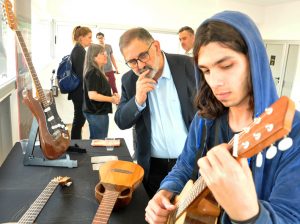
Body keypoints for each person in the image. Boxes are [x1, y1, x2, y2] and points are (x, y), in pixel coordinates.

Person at [145, 11, 300, 224]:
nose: (215, 82)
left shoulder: (295, 132)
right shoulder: (204, 118)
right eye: (206, 70)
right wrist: (165, 191)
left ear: (254, 60)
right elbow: (185, 164)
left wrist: (248, 214)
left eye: (226, 66)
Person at [114, 28, 196, 198]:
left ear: (156, 47)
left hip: (191, 163)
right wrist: (137, 100)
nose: (140, 65)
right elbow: (121, 121)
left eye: (143, 55)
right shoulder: (129, 80)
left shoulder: (190, 66)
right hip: (153, 167)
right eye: (132, 61)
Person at [82, 44, 120, 139]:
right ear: (94, 57)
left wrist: (112, 95)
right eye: (102, 53)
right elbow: (93, 95)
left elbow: (99, 91)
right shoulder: (93, 72)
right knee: (99, 141)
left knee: (96, 140)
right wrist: (112, 99)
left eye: (105, 53)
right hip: (96, 112)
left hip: (97, 112)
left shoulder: (97, 72)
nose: (106, 55)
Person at [69, 26, 92, 139]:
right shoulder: (79, 51)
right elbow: (82, 74)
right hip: (79, 91)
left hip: (78, 91)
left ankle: (76, 143)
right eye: (89, 37)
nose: (90, 40)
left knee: (79, 119)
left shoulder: (79, 49)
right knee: (79, 120)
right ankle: (75, 144)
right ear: (81, 38)